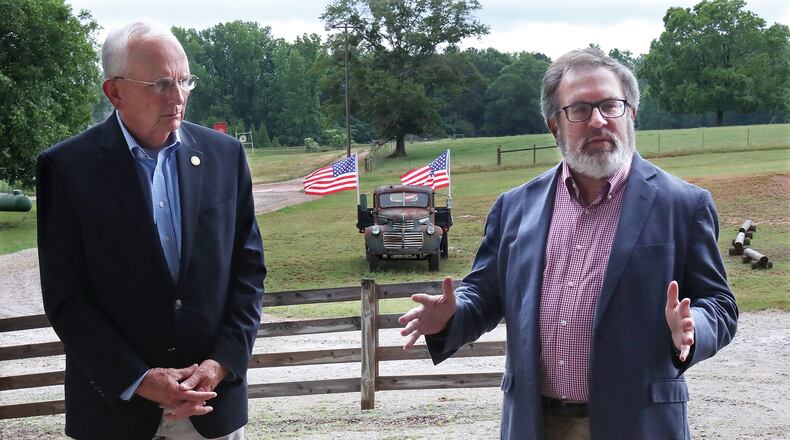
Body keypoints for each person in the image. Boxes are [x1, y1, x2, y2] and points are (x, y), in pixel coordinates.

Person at [399, 47, 738, 440]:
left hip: (637, 422)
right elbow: (486, 294)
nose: (598, 121)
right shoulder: (515, 206)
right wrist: (451, 318)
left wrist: (694, 326)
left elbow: (720, 305)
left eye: (611, 106)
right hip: (535, 423)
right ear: (553, 125)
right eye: (579, 110)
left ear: (631, 113)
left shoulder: (683, 205)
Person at [36, 22, 266, 440]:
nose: (178, 97)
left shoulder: (225, 156)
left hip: (209, 406)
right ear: (115, 92)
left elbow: (248, 272)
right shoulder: (67, 168)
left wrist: (220, 365)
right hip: (115, 410)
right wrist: (140, 380)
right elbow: (66, 296)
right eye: (160, 83)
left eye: (183, 80)